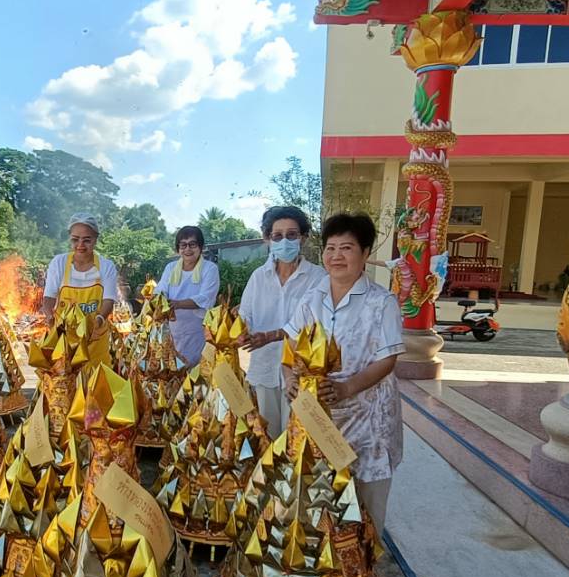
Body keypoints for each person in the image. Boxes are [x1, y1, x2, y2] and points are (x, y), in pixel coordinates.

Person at [283, 213, 405, 536]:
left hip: (369, 423)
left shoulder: (382, 303)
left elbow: (388, 359)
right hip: (320, 420)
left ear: (365, 254)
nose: (336, 256)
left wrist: (348, 386)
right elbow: (291, 347)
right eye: (331, 248)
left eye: (347, 248)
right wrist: (289, 378)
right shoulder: (311, 299)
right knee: (321, 505)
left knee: (365, 509)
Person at [237, 205, 326, 438]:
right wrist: (238, 331)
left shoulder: (319, 278)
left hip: (301, 375)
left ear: (303, 238)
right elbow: (244, 315)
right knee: (267, 436)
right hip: (264, 368)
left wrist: (270, 336)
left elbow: (317, 326)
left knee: (297, 440)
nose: (284, 241)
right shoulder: (258, 277)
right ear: (267, 239)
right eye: (277, 236)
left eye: (292, 235)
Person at [41, 213, 120, 363]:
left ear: (95, 240)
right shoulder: (59, 262)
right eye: (75, 239)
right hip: (64, 341)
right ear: (70, 238)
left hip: (95, 338)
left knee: (95, 383)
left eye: (87, 240)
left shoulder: (106, 266)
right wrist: (49, 316)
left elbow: (108, 300)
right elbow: (49, 297)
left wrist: (98, 320)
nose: (80, 245)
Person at [157, 225, 220, 367]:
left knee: (196, 374)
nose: (187, 249)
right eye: (183, 245)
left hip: (197, 331)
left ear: (201, 247)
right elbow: (160, 291)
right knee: (173, 372)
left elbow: (205, 298)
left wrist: (176, 304)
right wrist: (158, 302)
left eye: (192, 244)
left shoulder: (210, 269)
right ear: (178, 249)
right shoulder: (170, 268)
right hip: (172, 330)